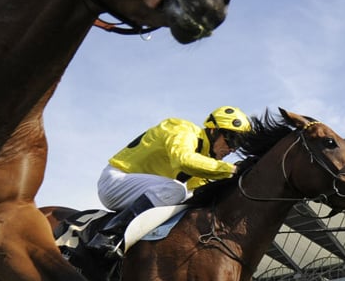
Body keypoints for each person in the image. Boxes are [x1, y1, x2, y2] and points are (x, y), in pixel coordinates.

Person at [88, 106, 253, 257]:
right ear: (213, 129)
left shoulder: (204, 159)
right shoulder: (183, 129)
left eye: (237, 147)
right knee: (177, 190)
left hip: (140, 190)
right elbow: (183, 160)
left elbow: (199, 191)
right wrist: (231, 170)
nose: (232, 149)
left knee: (188, 199)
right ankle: (110, 235)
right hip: (116, 181)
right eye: (232, 139)